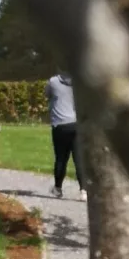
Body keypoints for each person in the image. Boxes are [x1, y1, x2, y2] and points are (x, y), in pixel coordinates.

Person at [47, 72, 85, 200]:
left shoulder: (53, 82)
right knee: (78, 158)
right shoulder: (78, 83)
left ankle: (58, 188)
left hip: (60, 125)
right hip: (75, 124)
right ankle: (83, 190)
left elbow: (47, 95)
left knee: (61, 158)